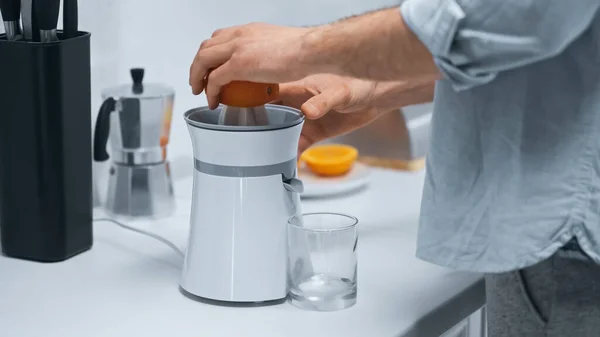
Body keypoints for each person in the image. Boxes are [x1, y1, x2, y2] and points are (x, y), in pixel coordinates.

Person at [189, 1, 600, 336]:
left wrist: (298, 47)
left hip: (570, 243)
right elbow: (531, 43)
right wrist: (374, 88)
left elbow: (514, 13)